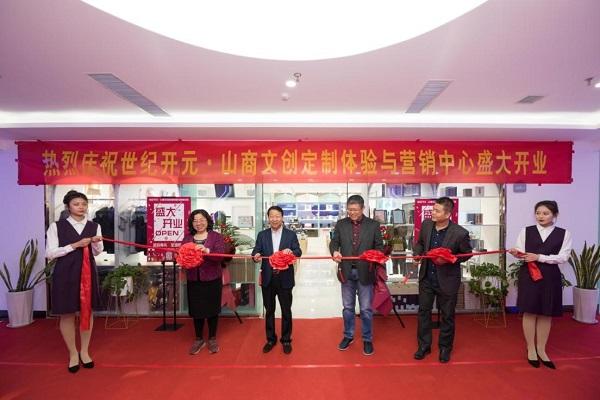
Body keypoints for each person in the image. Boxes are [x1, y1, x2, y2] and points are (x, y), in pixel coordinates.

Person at [509, 200, 572, 369]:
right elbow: (522, 253)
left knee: (546, 313)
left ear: (555, 215)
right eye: (538, 213)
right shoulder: (526, 231)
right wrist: (517, 253)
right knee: (529, 311)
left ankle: (541, 349)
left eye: (545, 213)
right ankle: (531, 348)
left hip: (550, 276)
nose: (540, 216)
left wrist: (540, 257)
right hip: (529, 275)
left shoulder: (564, 233)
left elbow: (563, 257)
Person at [46, 190, 103, 373]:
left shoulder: (94, 225)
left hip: (87, 272)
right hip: (65, 273)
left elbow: (98, 252)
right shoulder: (56, 226)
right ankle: (72, 353)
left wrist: (95, 243)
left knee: (87, 311)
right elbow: (50, 253)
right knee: (67, 313)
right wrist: (75, 245)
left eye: (84, 204)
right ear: (68, 207)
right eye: (76, 204)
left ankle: (84, 351)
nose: (81, 207)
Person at [413, 197, 472, 363]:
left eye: (436, 211)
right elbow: (420, 243)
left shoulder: (460, 233)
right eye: (433, 209)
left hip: (447, 280)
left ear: (447, 214)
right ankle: (424, 345)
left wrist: (449, 259)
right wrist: (417, 254)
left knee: (447, 316)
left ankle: (445, 348)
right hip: (427, 277)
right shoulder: (426, 225)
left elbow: (467, 254)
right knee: (423, 312)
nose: (432, 212)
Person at [329, 195, 383, 356]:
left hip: (366, 271)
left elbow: (379, 247)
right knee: (347, 307)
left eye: (355, 210)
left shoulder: (373, 225)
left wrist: (374, 255)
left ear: (363, 209)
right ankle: (348, 335)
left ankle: (367, 338)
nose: (352, 213)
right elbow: (334, 242)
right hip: (346, 271)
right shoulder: (341, 224)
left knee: (366, 308)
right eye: (349, 210)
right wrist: (335, 251)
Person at [252, 206, 302, 354]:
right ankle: (270, 339)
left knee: (286, 310)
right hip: (268, 277)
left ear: (282, 218)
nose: (274, 219)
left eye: (277, 216)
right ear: (268, 218)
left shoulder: (290, 235)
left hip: (285, 278)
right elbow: (256, 251)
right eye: (271, 216)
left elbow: (298, 251)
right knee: (269, 310)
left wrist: (291, 252)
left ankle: (286, 339)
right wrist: (256, 256)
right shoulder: (262, 235)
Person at [182, 209, 226, 355]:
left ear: (207, 221)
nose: (198, 223)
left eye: (201, 220)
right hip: (194, 279)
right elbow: (182, 256)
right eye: (195, 220)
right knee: (197, 310)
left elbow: (221, 256)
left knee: (212, 309)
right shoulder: (187, 238)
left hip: (212, 278)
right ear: (191, 223)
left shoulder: (216, 237)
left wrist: (207, 251)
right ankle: (199, 338)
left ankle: (212, 338)